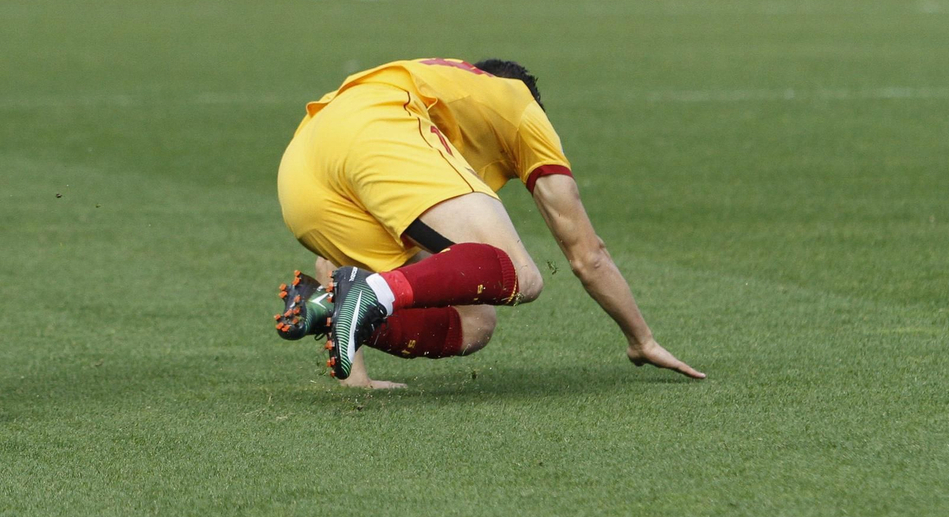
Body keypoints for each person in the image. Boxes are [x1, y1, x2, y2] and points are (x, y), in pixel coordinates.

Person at [273, 57, 703, 388]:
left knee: (474, 322)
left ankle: (330, 310)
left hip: (300, 170)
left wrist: (356, 381)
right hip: (380, 125)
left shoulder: (451, 91)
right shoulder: (518, 103)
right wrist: (641, 339)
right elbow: (587, 255)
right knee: (519, 274)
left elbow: (332, 267)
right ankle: (374, 293)